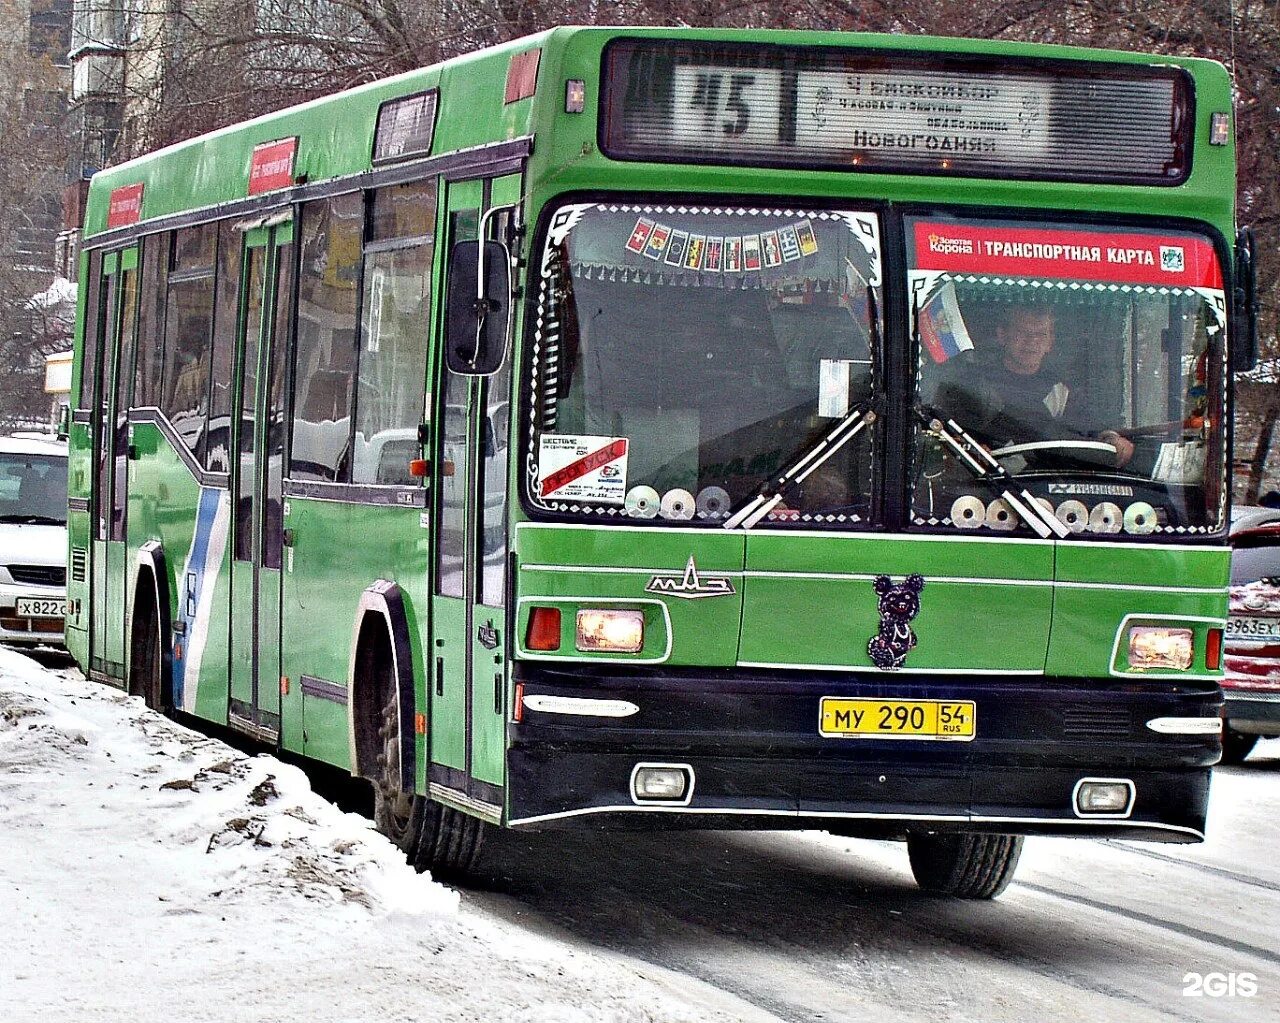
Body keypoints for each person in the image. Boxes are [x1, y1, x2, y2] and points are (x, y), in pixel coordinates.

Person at [939, 303, 1135, 468]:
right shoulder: (972, 384)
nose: (1032, 342)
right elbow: (949, 438)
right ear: (1002, 336)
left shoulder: (1061, 389)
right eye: (1022, 333)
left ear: (1050, 342)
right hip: (991, 490)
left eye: (1040, 335)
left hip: (1049, 491)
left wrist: (1112, 439)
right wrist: (974, 450)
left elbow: (1088, 428)